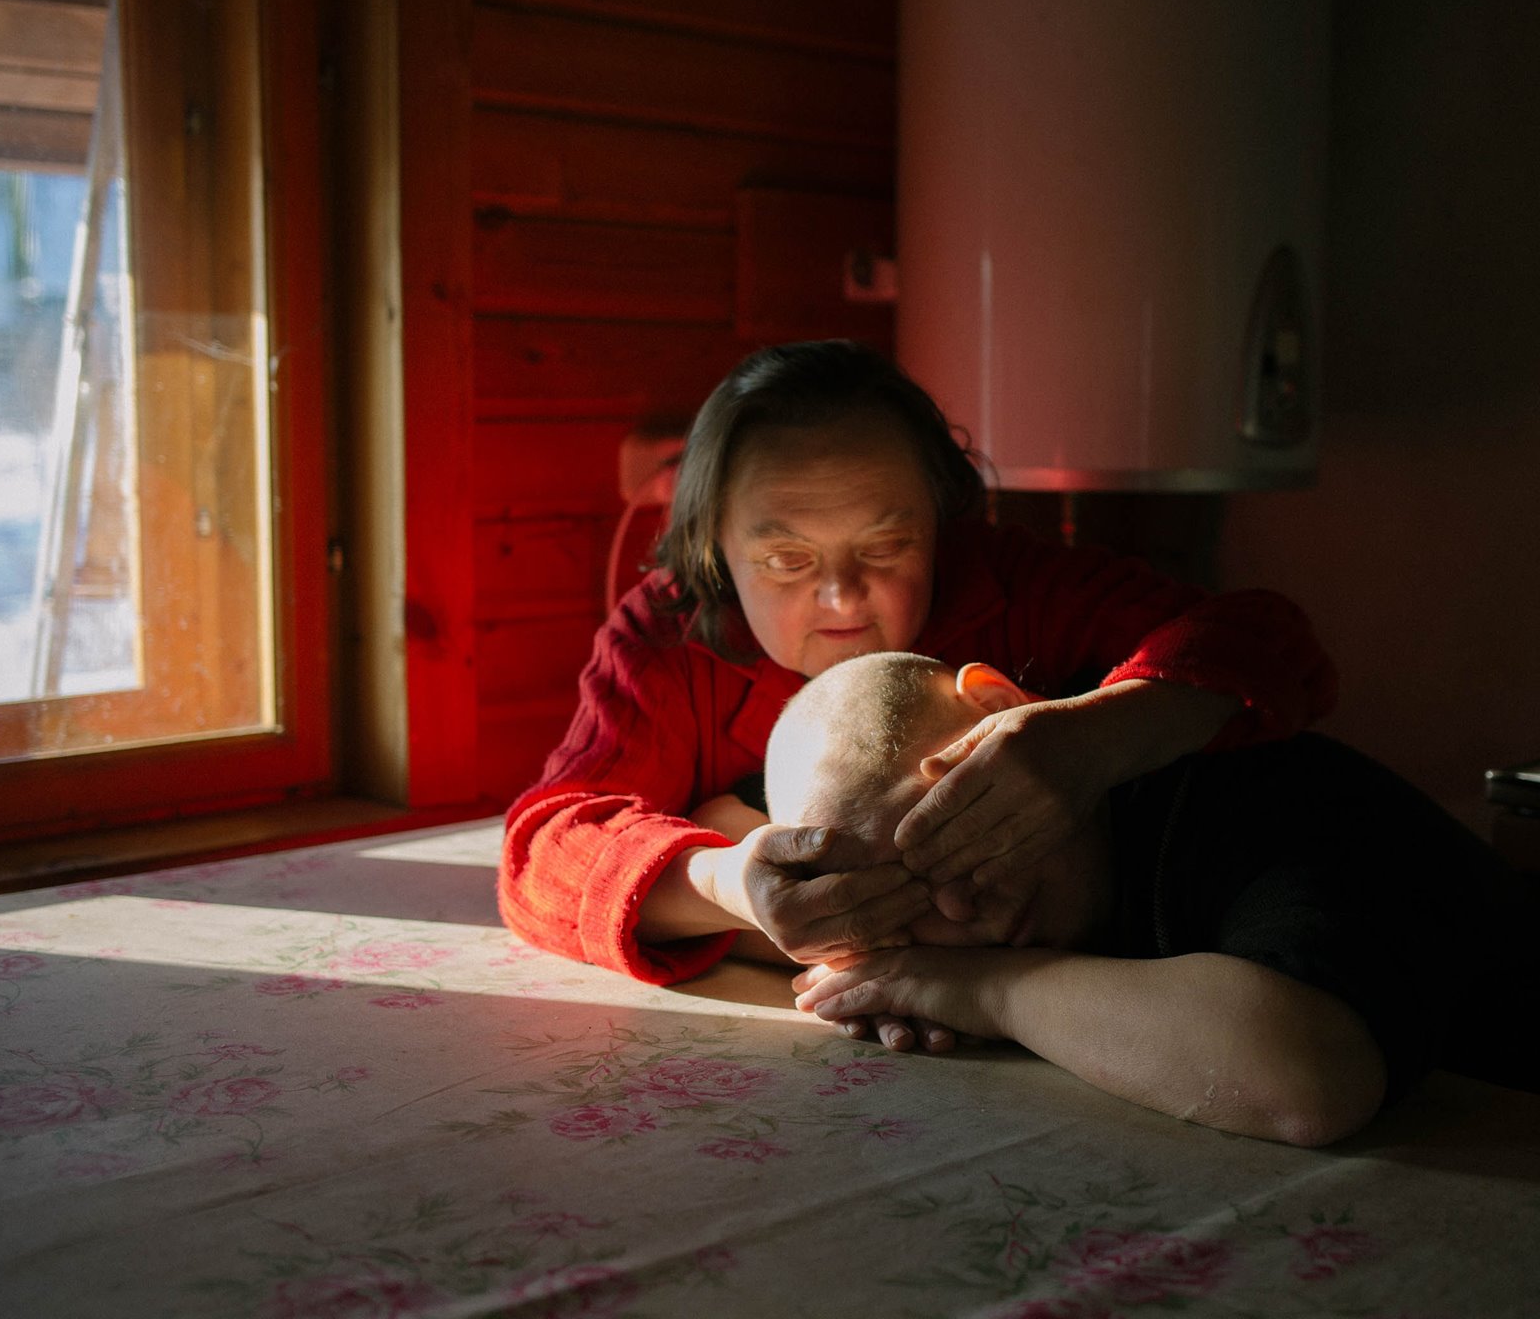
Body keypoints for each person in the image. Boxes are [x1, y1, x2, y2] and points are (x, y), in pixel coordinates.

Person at [498, 340, 1338, 986]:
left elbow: (1268, 638)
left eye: (887, 545)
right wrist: (723, 880)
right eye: (787, 561)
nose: (841, 598)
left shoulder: (1010, 580)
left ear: (942, 519)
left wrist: (1094, 739)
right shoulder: (671, 636)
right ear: (713, 546)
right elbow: (543, 849)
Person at [770, 651, 1511, 1148]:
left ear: (1002, 711)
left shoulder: (1250, 790)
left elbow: (1308, 1081)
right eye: (905, 904)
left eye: (958, 831)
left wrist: (978, 988)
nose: (963, 909)